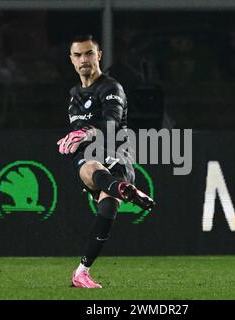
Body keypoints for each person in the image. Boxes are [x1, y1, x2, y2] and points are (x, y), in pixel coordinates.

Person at [57, 34, 155, 289]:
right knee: (90, 166)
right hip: (90, 157)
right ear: (71, 59)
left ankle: (81, 272)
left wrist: (86, 132)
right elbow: (78, 130)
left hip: (118, 155)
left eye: (89, 53)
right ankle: (124, 190)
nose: (84, 60)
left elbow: (111, 124)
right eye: (78, 55)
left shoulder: (111, 88)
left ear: (98, 56)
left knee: (107, 208)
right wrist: (76, 135)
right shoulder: (75, 94)